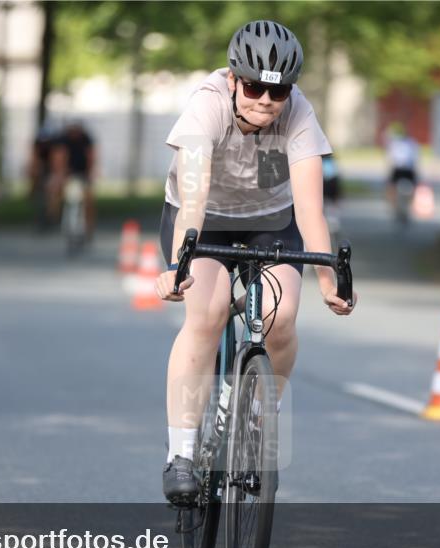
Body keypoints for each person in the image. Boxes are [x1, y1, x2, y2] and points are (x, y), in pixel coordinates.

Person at [153, 20, 356, 505]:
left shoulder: (298, 113)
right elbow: (194, 202)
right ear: (233, 79)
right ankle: (182, 455)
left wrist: (328, 279)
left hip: (270, 220)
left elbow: (310, 210)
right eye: (254, 87)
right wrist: (180, 267)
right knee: (208, 312)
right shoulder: (206, 106)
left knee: (279, 316)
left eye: (278, 90)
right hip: (203, 220)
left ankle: (260, 421)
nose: (266, 100)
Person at [49, 122, 97, 241]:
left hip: (82, 174)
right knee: (55, 191)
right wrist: (60, 174)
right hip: (66, 173)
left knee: (89, 199)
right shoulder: (62, 140)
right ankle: (54, 217)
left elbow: (91, 157)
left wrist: (90, 173)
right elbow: (58, 158)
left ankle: (89, 228)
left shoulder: (86, 139)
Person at [384, 122, 420, 203]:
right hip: (403, 168)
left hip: (403, 168)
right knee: (392, 185)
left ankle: (394, 201)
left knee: (392, 185)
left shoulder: (407, 143)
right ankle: (396, 201)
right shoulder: (409, 143)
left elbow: (390, 158)